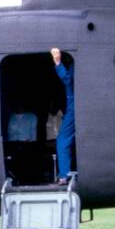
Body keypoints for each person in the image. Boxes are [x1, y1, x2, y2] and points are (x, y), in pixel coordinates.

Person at [50, 47, 75, 180]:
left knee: (63, 140)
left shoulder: (74, 65)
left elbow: (68, 80)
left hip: (75, 107)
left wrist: (58, 62)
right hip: (75, 106)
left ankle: (64, 175)